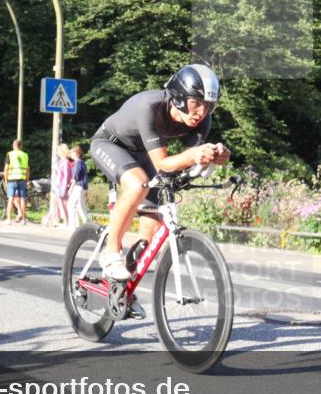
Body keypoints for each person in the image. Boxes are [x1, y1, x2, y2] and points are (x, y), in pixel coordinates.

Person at [90, 63, 231, 281]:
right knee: (138, 184)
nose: (201, 112)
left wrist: (214, 155)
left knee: (153, 223)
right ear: (178, 98)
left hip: (144, 153)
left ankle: (123, 290)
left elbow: (188, 164)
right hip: (111, 144)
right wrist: (194, 155)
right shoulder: (150, 106)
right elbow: (164, 163)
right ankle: (110, 252)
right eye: (196, 103)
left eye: (208, 106)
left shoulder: (202, 120)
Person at [3, 139, 29, 224]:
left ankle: (9, 220)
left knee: (10, 199)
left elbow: (6, 168)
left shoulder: (10, 154)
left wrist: (6, 179)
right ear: (20, 146)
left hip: (12, 179)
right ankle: (24, 220)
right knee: (22, 199)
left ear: (14, 146)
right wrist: (26, 180)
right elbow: (28, 169)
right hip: (22, 179)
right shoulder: (25, 155)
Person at [67, 143, 89, 227]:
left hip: (78, 186)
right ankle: (86, 224)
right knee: (81, 206)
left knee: (71, 204)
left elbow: (75, 177)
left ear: (77, 153)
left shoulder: (78, 162)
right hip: (83, 186)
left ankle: (73, 225)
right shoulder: (82, 163)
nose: (71, 154)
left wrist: (70, 189)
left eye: (72, 152)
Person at [53, 142, 73, 225]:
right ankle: (62, 220)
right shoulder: (61, 161)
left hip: (62, 186)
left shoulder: (65, 162)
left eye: (58, 150)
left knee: (63, 204)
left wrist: (64, 189)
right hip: (59, 185)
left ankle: (66, 221)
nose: (57, 152)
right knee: (60, 204)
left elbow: (66, 177)